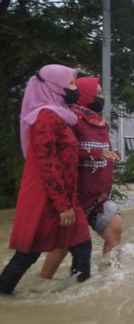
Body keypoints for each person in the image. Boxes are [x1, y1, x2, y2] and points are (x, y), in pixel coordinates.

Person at [0, 65, 92, 295]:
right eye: (70, 83)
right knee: (28, 253)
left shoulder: (60, 116)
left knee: (82, 246)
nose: (74, 88)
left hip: (65, 195)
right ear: (54, 86)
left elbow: (67, 153)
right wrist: (62, 206)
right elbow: (47, 163)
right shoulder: (45, 117)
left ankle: (78, 298)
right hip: (48, 198)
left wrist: (97, 154)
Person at [40, 77, 121, 280]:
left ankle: (111, 281)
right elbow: (67, 151)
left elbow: (106, 155)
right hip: (75, 197)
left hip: (98, 196)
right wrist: (94, 153)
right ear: (86, 95)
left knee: (115, 232)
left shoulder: (101, 123)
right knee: (63, 245)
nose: (101, 97)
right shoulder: (70, 120)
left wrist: (106, 188)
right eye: (98, 93)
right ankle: (41, 285)